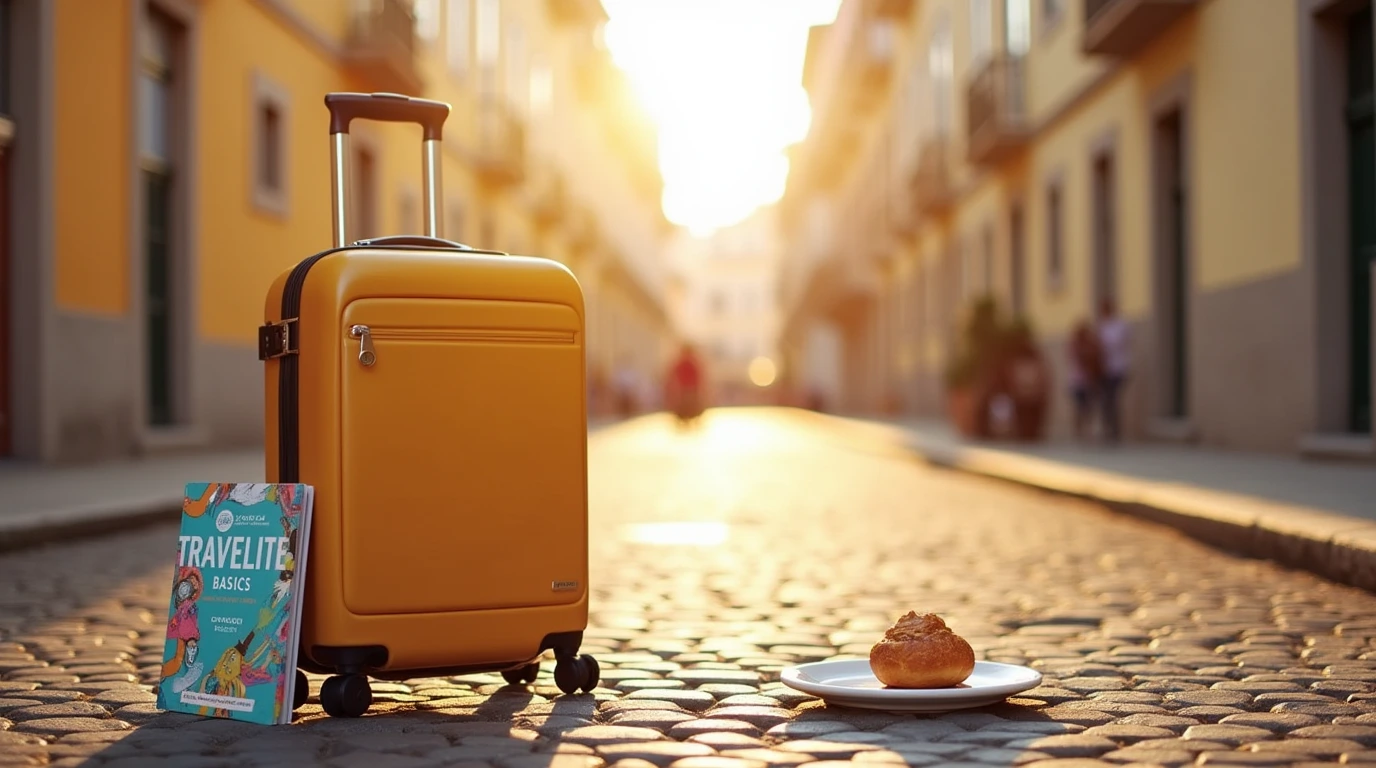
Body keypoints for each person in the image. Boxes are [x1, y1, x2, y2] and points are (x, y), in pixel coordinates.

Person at [1096, 297, 1131, 443]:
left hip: (1118, 368)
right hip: (1104, 370)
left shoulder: (1120, 325)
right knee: (1107, 401)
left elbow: (1117, 344)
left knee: (1113, 399)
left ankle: (1115, 431)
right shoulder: (1102, 327)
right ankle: (1108, 430)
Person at [1068, 319, 1103, 440]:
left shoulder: (1090, 345)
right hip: (1079, 382)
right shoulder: (1075, 345)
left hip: (1087, 381)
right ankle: (1080, 432)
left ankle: (1086, 431)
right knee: (1080, 408)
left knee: (1088, 408)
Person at [664, 343, 705, 425]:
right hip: (689, 390)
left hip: (686, 390)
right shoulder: (693, 362)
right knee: (690, 407)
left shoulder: (683, 362)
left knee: (688, 406)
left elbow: (673, 376)